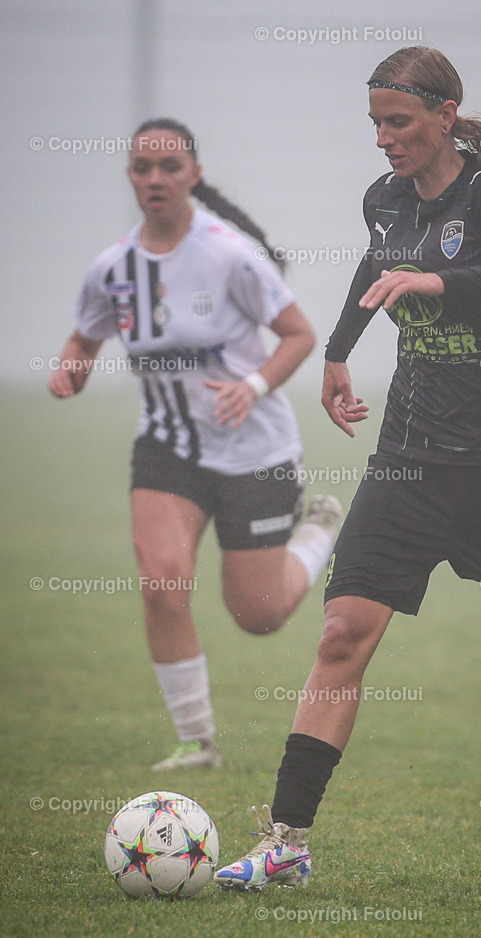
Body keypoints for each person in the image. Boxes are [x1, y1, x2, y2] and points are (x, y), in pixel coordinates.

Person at [214, 47, 481, 894]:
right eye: (375, 124)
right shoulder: (385, 200)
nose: (384, 139)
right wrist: (337, 355)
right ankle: (286, 845)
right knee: (340, 635)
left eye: (398, 122)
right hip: (409, 463)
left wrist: (439, 279)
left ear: (444, 114)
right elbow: (375, 263)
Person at [48, 118, 342, 771]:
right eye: (142, 168)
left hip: (255, 453)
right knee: (161, 584)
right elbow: (83, 338)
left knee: (258, 616)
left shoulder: (229, 254)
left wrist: (254, 385)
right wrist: (71, 368)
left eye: (169, 167)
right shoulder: (113, 268)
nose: (155, 179)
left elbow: (297, 334)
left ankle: (319, 530)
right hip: (167, 448)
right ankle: (196, 741)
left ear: (194, 175)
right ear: (130, 176)